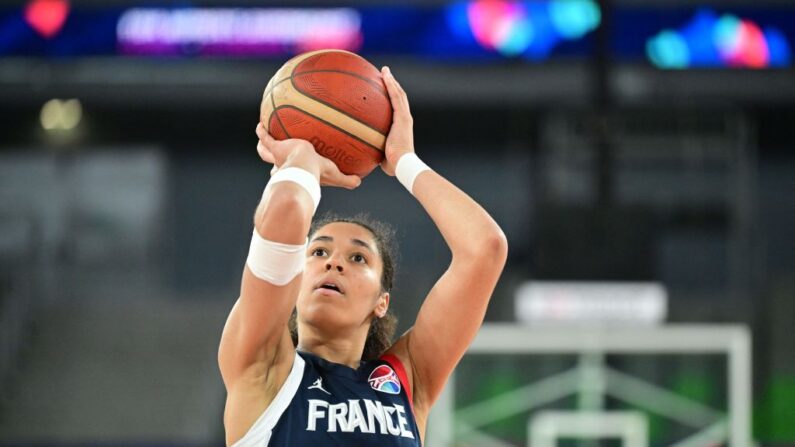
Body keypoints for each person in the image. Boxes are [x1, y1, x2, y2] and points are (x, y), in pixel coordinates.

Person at [218, 66, 508, 446]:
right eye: (318, 250)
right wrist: (301, 157)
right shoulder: (263, 366)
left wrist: (403, 159)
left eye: (358, 259)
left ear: (381, 302)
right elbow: (287, 208)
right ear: (295, 280)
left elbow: (484, 248)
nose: (333, 262)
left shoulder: (408, 379)